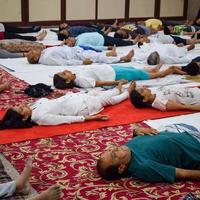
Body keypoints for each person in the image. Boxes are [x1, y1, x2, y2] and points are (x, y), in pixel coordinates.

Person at [0, 81, 133, 129]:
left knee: (96, 92)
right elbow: (66, 120)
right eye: (20, 109)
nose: (22, 105)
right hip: (81, 108)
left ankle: (118, 89)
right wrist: (92, 118)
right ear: (23, 118)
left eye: (19, 106)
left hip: (71, 99)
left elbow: (50, 103)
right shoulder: (41, 118)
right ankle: (127, 93)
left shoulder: (32, 108)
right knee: (105, 100)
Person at [97, 125, 200, 183]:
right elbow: (183, 174)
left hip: (182, 130)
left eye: (110, 150)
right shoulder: (144, 167)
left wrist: (136, 131)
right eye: (114, 155)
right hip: (195, 145)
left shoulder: (125, 150)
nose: (115, 148)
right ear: (121, 168)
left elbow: (143, 144)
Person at [53, 63, 186, 89]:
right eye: (64, 74)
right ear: (68, 81)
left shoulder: (76, 75)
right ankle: (169, 70)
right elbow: (100, 83)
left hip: (111, 68)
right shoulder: (81, 81)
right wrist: (118, 83)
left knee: (135, 69)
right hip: (116, 74)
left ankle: (153, 69)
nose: (65, 70)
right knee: (141, 75)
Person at [26, 45, 134, 65]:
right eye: (31, 53)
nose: (32, 50)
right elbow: (64, 63)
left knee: (95, 53)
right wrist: (81, 62)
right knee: (97, 58)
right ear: (35, 58)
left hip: (75, 50)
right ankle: (123, 58)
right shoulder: (47, 58)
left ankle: (112, 54)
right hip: (76, 57)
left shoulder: (44, 53)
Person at [129, 81, 200, 111]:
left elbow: (136, 98)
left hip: (194, 90)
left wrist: (131, 91)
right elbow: (185, 107)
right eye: (142, 90)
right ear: (144, 100)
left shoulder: (153, 93)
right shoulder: (159, 102)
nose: (144, 88)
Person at [64, 32, 137, 51]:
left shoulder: (77, 37)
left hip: (100, 36)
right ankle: (131, 42)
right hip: (102, 41)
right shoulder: (80, 45)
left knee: (116, 40)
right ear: (71, 44)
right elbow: (93, 47)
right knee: (118, 42)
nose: (70, 38)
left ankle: (126, 40)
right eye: (69, 40)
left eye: (69, 37)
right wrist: (106, 48)